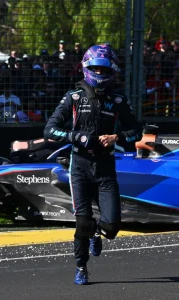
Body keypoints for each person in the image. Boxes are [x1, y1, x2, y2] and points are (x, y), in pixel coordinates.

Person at [44, 44, 139, 285]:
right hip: (80, 166)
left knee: (112, 226)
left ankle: (99, 232)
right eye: (95, 68)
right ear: (87, 68)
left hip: (105, 167)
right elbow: (49, 130)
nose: (100, 73)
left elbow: (136, 131)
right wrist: (77, 137)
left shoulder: (119, 100)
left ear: (113, 70)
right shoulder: (74, 97)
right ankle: (81, 267)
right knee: (82, 221)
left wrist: (117, 137)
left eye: (104, 69)